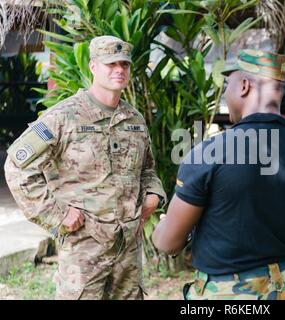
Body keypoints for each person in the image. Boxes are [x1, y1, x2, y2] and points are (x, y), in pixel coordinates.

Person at [152, 49, 285, 300]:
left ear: (244, 85)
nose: (225, 92)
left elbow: (168, 243)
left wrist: (160, 229)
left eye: (228, 84)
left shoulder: (209, 155)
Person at [4, 35, 166, 300]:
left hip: (128, 251)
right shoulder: (62, 116)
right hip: (84, 250)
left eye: (124, 64)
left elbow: (147, 169)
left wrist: (153, 194)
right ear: (93, 67)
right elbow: (17, 167)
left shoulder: (134, 119)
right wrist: (57, 214)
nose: (119, 70)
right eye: (110, 64)